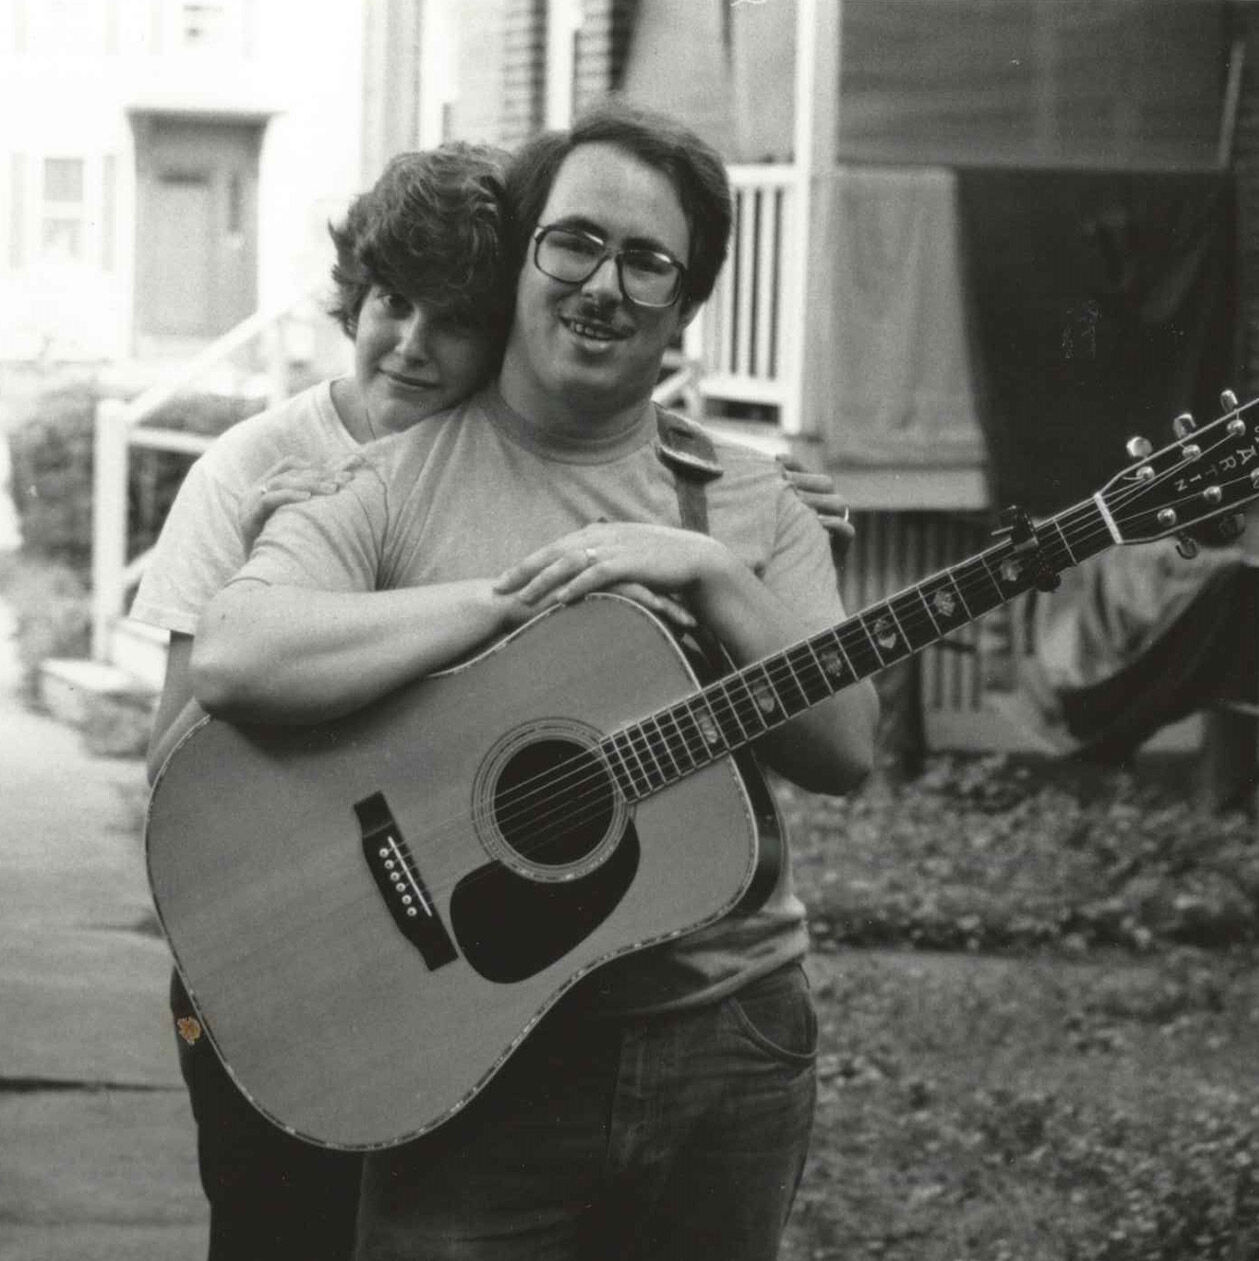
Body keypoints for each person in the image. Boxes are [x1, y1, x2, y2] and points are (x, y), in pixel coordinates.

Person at [135, 135, 858, 1259]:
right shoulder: (335, 474)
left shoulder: (748, 495)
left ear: (685, 302)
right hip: (458, 1023)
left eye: (646, 261)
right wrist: (507, 604)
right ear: (525, 264)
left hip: (728, 1035)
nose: (602, 284)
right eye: (571, 244)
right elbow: (220, 679)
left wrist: (713, 568)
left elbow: (844, 746)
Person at [131, 142, 514, 1261]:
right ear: (355, 293)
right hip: (269, 947)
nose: (411, 342)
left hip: (448, 956)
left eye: (455, 318)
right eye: (393, 301)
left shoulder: (498, 466)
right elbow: (169, 765)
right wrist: (268, 594)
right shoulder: (251, 469)